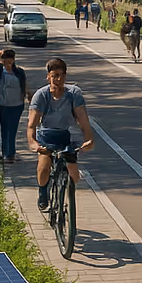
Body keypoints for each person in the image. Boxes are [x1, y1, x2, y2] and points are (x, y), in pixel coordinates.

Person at [27, 57, 94, 211]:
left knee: (74, 176)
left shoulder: (74, 93)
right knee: (44, 167)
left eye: (61, 75)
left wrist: (89, 139)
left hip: (65, 135)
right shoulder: (41, 95)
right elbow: (32, 124)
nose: (58, 79)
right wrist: (33, 143)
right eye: (54, 75)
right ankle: (43, 192)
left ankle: (67, 196)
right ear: (48, 76)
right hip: (46, 135)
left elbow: (82, 118)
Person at [0, 48, 29, 163]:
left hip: (17, 105)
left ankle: (10, 154)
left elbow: (24, 84)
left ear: (13, 59)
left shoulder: (19, 71)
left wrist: (28, 95)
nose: (8, 62)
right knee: (5, 129)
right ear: (1, 60)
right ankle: (6, 153)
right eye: (5, 60)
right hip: (3, 105)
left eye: (10, 59)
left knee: (13, 129)